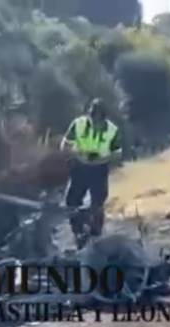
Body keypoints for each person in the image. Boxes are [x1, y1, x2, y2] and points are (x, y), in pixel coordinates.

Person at [60, 99, 122, 248]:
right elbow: (64, 145)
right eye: (93, 118)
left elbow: (117, 153)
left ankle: (96, 235)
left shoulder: (112, 130)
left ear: (104, 118)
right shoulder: (78, 124)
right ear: (89, 114)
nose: (95, 122)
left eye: (99, 119)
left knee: (98, 203)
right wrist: (79, 155)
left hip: (99, 169)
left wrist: (102, 159)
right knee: (71, 202)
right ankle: (79, 234)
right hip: (79, 167)